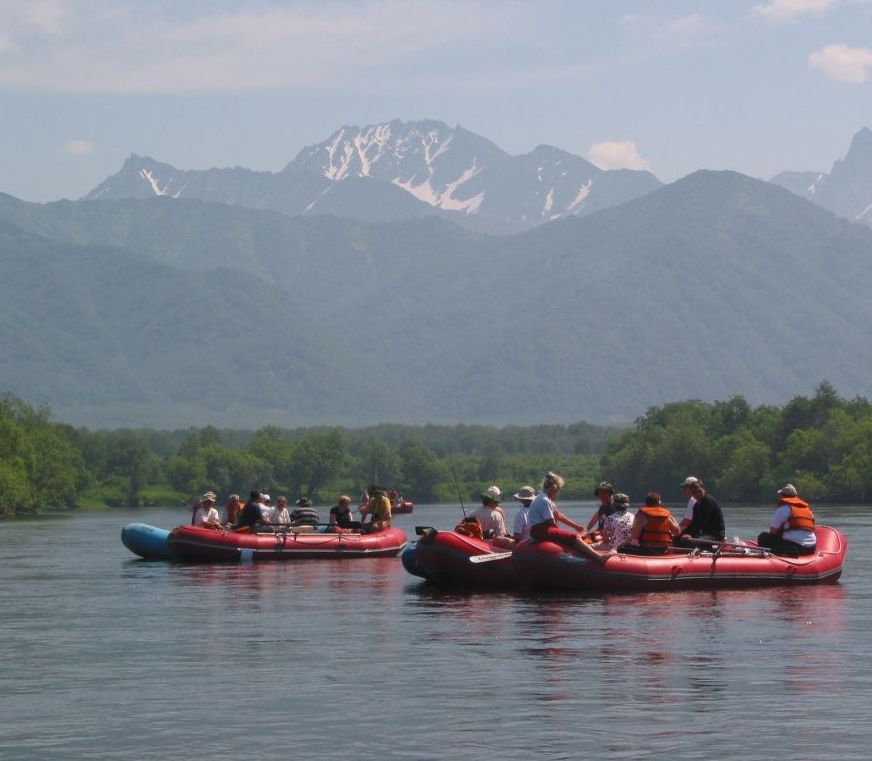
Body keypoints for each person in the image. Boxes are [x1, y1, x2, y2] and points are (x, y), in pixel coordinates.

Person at [528, 471, 612, 565]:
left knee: (575, 536)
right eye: (557, 489)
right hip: (542, 530)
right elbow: (551, 522)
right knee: (575, 538)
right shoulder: (544, 500)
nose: (557, 492)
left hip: (539, 530)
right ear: (553, 487)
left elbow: (558, 515)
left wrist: (576, 526)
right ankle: (599, 558)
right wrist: (562, 535)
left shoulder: (544, 498)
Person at [757, 484, 817, 556]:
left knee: (763, 537)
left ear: (783, 496)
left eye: (780, 495)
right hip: (811, 548)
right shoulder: (807, 509)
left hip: (797, 547)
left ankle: (786, 552)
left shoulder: (784, 508)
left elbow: (773, 531)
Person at [679, 479, 725, 545]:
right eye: (694, 492)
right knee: (678, 538)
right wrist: (683, 534)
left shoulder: (708, 501)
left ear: (703, 489)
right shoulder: (696, 505)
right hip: (705, 534)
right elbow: (693, 524)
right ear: (691, 493)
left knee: (690, 542)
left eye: (699, 491)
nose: (697, 494)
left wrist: (689, 535)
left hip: (715, 535)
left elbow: (702, 523)